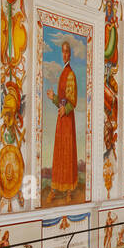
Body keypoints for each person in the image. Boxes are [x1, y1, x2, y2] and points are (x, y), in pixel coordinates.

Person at [47, 42, 78, 198]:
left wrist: (64, 109)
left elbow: (72, 101)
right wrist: (54, 98)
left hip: (67, 120)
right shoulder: (63, 73)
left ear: (70, 54)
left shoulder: (70, 74)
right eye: (63, 52)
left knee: (67, 152)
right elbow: (62, 100)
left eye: (67, 52)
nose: (64, 54)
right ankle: (55, 188)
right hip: (61, 120)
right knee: (59, 152)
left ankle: (68, 190)